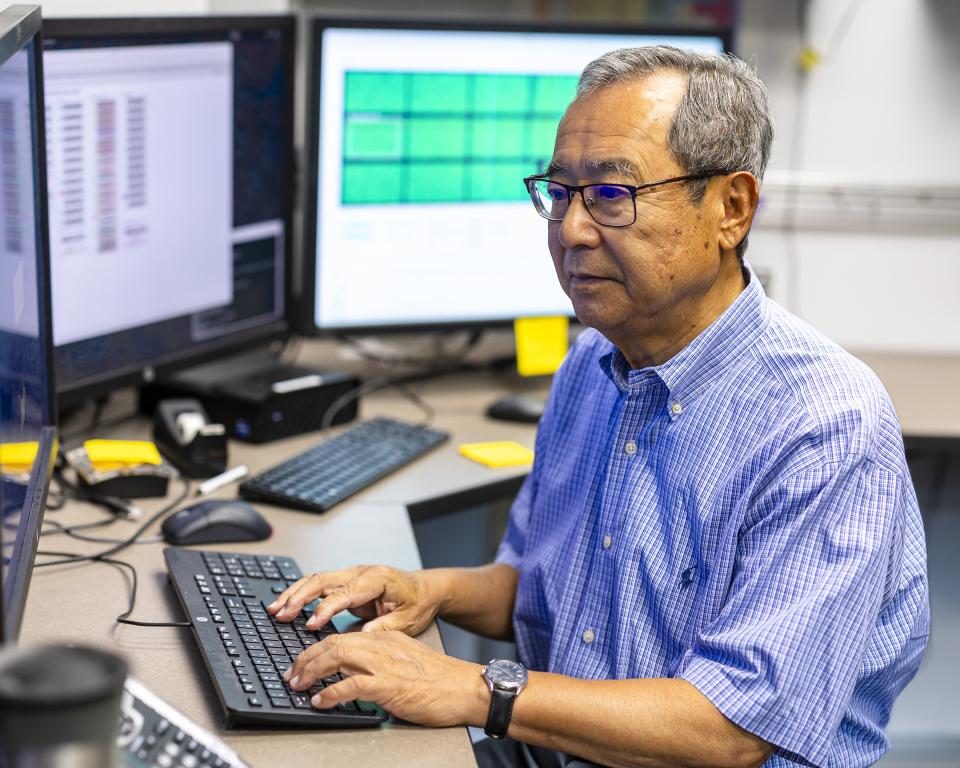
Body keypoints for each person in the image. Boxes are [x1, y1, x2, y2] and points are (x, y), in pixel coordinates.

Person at [268, 46, 929, 768]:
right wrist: (426, 590)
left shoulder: (825, 425)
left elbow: (731, 730)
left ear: (731, 209)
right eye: (560, 192)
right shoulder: (592, 361)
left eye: (613, 196)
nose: (572, 230)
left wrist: (475, 689)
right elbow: (544, 584)